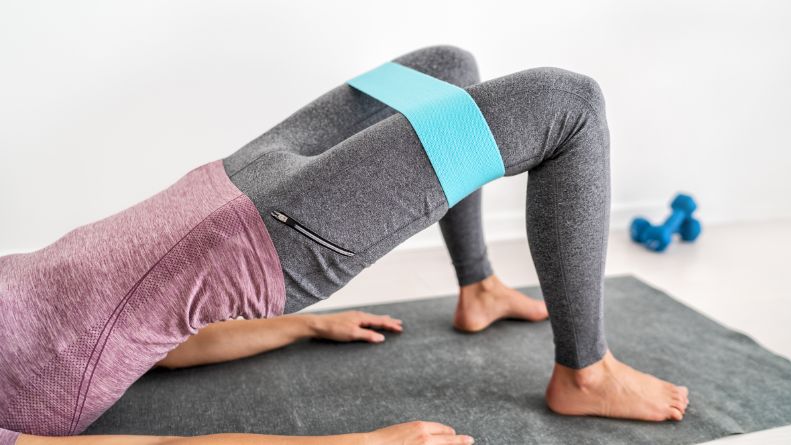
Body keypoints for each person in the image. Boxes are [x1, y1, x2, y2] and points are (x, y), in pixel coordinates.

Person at [0, 45, 688, 445]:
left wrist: (303, 327)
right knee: (568, 105)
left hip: (228, 179)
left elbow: (137, 337)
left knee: (446, 68)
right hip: (266, 238)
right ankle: (585, 374)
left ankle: (479, 285)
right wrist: (353, 442)